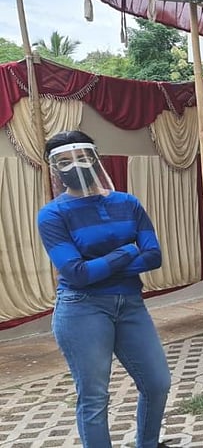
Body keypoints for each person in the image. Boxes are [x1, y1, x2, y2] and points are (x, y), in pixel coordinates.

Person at [37, 131, 171, 448]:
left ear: (95, 158)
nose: (75, 166)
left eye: (82, 157)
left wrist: (103, 264)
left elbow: (153, 256)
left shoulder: (128, 203)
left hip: (130, 304)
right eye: (65, 161)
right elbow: (77, 273)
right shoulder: (53, 215)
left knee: (157, 383)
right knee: (95, 396)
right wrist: (127, 251)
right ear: (55, 168)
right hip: (82, 308)